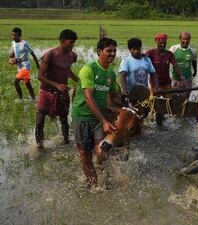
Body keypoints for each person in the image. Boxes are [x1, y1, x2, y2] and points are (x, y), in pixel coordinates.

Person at [71, 38, 120, 187]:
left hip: (99, 119)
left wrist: (126, 107)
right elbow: (88, 97)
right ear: (99, 52)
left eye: (114, 51)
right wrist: (105, 121)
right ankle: (93, 185)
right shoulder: (89, 69)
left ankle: (106, 178)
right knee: (85, 155)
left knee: (102, 152)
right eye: (109, 51)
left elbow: (115, 96)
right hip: (82, 117)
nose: (112, 54)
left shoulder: (111, 74)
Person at [35, 29, 78, 150]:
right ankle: (39, 146)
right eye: (70, 42)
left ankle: (65, 141)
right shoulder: (50, 54)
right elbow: (40, 76)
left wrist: (80, 81)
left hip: (61, 93)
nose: (72, 45)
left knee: (63, 119)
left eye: (73, 42)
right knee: (40, 120)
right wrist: (57, 85)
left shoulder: (71, 56)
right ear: (62, 41)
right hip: (46, 92)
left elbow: (67, 70)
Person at [146, 33, 183, 125]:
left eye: (164, 43)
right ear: (156, 42)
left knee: (171, 103)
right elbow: (143, 61)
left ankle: (165, 115)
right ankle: (153, 116)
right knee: (152, 106)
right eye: (161, 43)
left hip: (166, 83)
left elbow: (176, 66)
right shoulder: (151, 53)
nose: (163, 45)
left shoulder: (169, 54)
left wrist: (181, 77)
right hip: (155, 85)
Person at [119, 38, 157, 106]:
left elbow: (153, 73)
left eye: (138, 49)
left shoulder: (146, 60)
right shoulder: (126, 61)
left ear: (140, 48)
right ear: (129, 50)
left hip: (145, 93)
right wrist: (124, 90)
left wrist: (155, 88)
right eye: (133, 49)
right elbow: (122, 75)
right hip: (132, 94)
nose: (136, 51)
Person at [8, 27, 39, 100]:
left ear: (19, 35)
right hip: (19, 67)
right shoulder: (13, 43)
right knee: (27, 84)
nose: (13, 37)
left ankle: (20, 99)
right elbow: (13, 53)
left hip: (25, 67)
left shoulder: (25, 44)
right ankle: (34, 99)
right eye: (12, 35)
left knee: (15, 82)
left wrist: (38, 65)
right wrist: (11, 59)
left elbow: (32, 53)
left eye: (15, 35)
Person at [169, 31, 197, 99]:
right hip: (175, 80)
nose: (185, 41)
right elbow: (167, 62)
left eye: (187, 39)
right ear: (180, 39)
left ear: (190, 39)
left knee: (186, 99)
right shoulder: (173, 49)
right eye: (183, 39)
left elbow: (194, 61)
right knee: (173, 99)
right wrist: (168, 76)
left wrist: (195, 71)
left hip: (187, 80)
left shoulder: (193, 51)